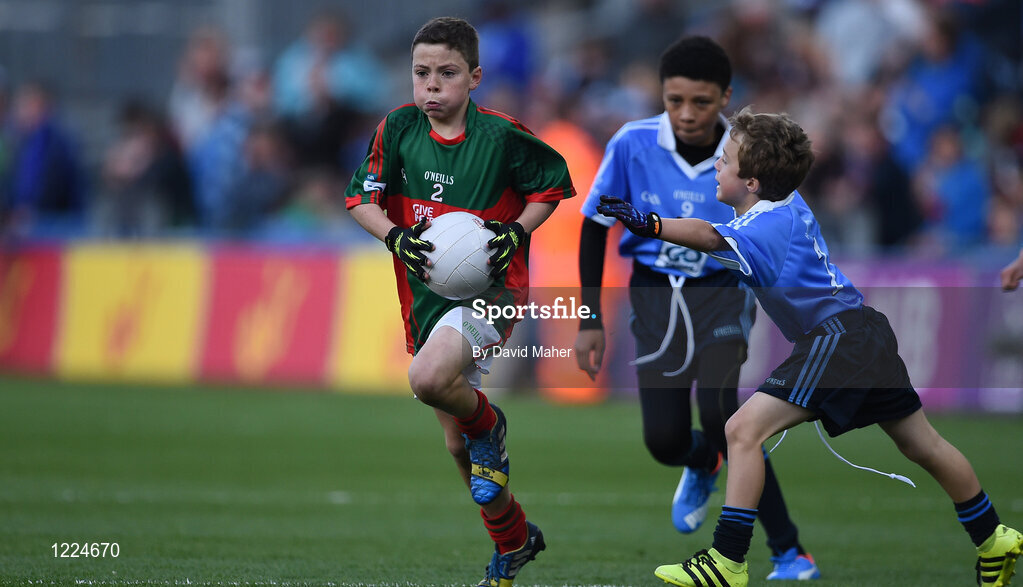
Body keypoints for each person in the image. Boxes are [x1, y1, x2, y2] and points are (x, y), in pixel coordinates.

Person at [597, 107, 1023, 587]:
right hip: (865, 332)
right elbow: (734, 215)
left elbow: (708, 235)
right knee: (921, 444)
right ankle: (993, 536)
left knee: (741, 430)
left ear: (753, 181)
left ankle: (727, 561)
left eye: (727, 158)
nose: (717, 162)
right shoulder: (784, 202)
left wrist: (651, 223)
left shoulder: (765, 225)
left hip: (837, 338)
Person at [574, 36, 818, 581]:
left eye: (701, 102)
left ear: (726, 97)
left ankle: (789, 552)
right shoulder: (631, 143)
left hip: (720, 293)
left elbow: (777, 232)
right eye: (674, 100)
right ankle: (703, 461)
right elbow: (594, 227)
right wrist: (589, 318)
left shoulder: (745, 155)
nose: (686, 114)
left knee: (722, 411)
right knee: (664, 442)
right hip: (654, 295)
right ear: (661, 94)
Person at [344, 17, 573, 586]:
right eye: (422, 74)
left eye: (446, 74)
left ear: (474, 77)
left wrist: (517, 231)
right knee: (456, 444)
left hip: (495, 293)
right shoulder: (396, 130)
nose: (431, 86)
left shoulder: (500, 136)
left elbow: (552, 184)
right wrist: (395, 236)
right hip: (427, 299)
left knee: (425, 379)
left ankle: (491, 424)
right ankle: (514, 538)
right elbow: (359, 199)